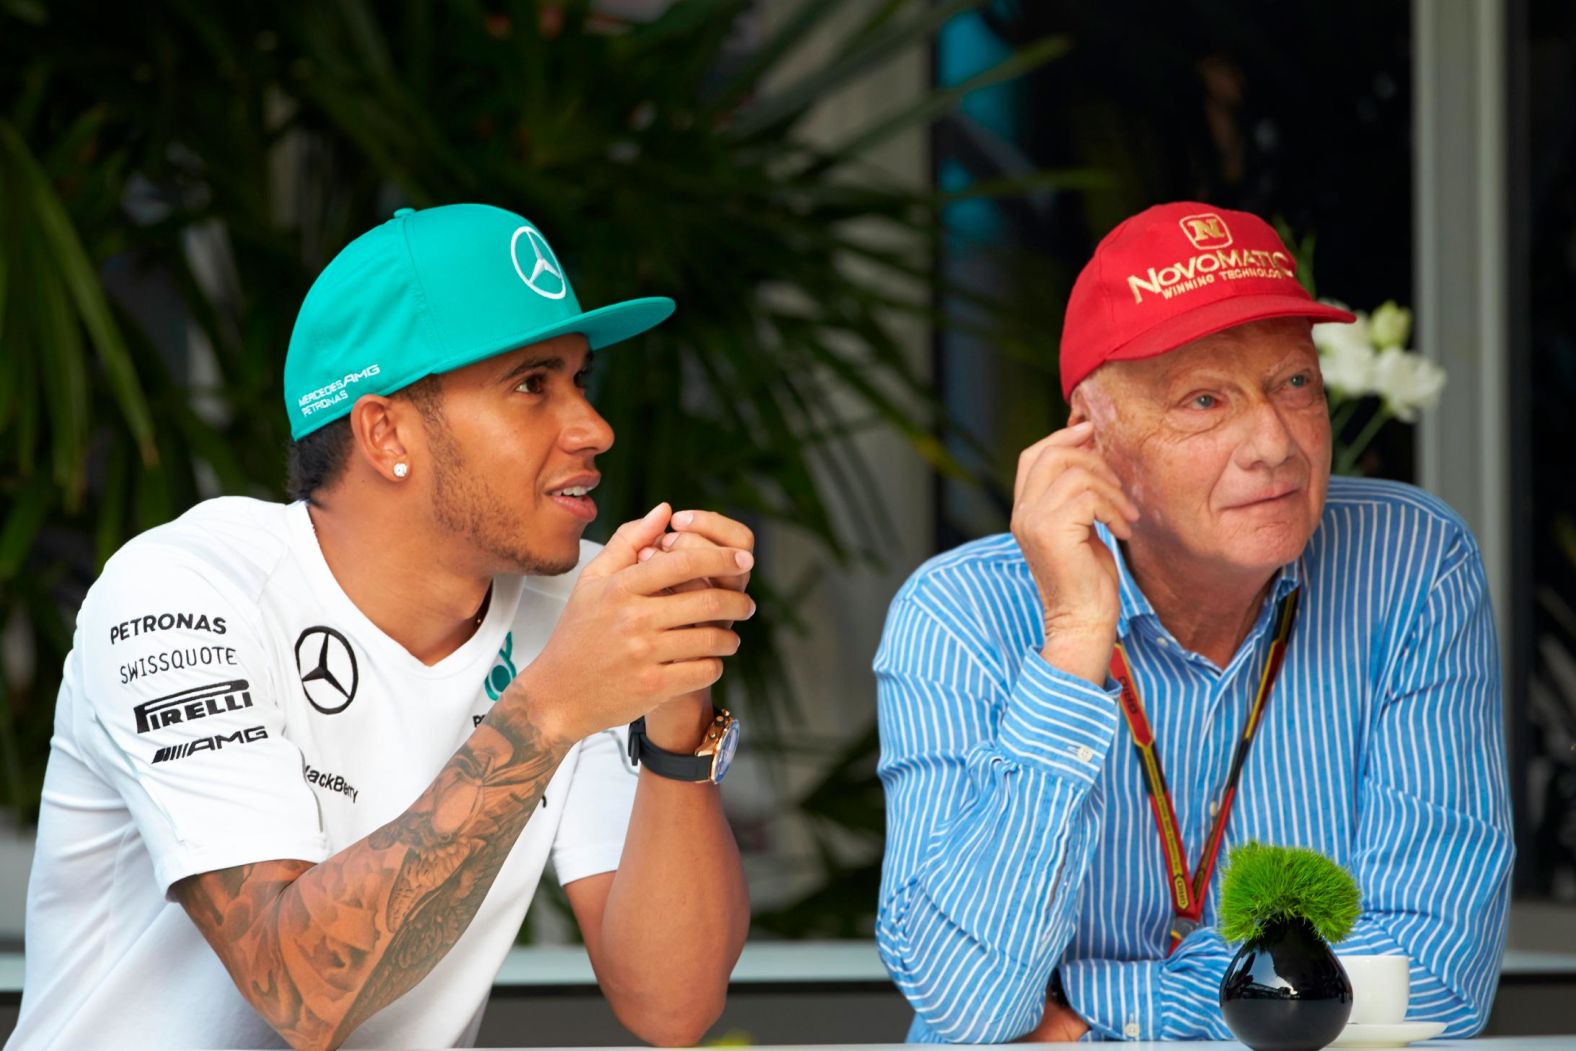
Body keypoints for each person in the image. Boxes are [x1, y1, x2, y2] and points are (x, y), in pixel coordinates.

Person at [8, 204, 753, 1050]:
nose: (593, 427)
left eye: (581, 381)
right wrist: (548, 708)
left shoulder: (579, 605)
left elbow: (671, 1005)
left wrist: (676, 710)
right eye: (531, 384)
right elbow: (296, 990)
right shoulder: (183, 590)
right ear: (385, 430)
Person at [873, 202, 1514, 1043]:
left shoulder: (1413, 564)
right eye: (1205, 400)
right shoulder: (958, 617)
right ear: (1091, 445)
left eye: (1294, 383)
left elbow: (1432, 976)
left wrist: (1103, 1011)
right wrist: (1071, 640)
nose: (1274, 444)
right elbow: (967, 1005)